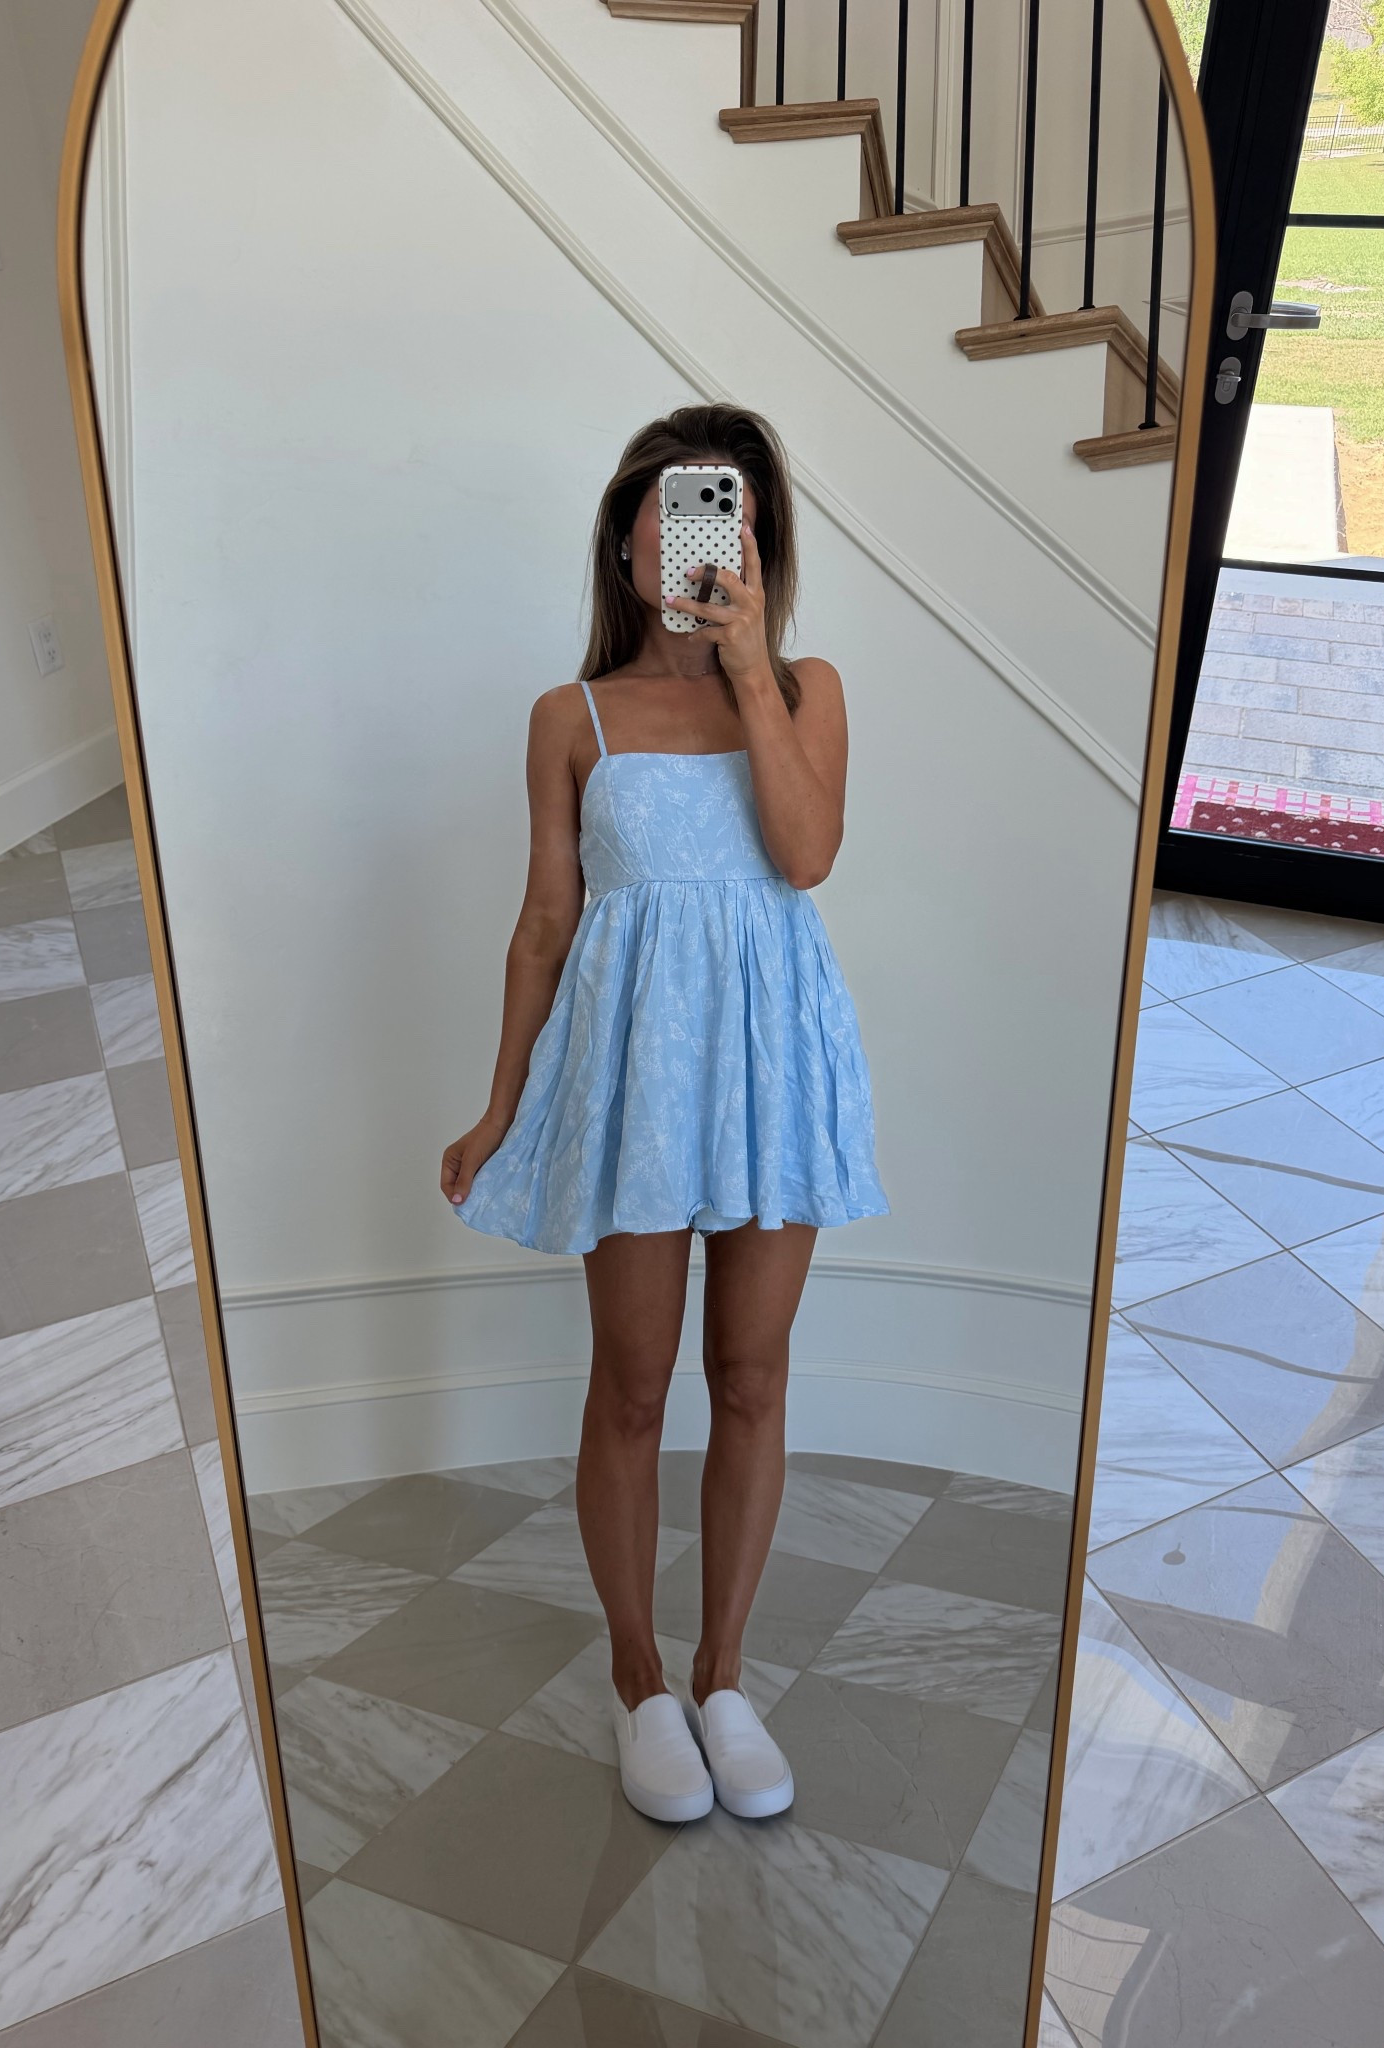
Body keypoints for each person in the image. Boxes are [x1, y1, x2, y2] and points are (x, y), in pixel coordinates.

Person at [441, 402, 888, 1824]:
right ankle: (640, 1681)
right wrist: (501, 1105)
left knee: (750, 1376)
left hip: (773, 1069)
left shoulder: (808, 688)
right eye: (680, 511)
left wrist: (749, 668)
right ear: (627, 540)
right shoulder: (567, 719)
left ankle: (725, 1677)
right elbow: (544, 923)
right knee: (632, 1388)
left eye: (731, 516)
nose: (702, 541)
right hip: (634, 1077)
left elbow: (805, 858)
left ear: (758, 544)